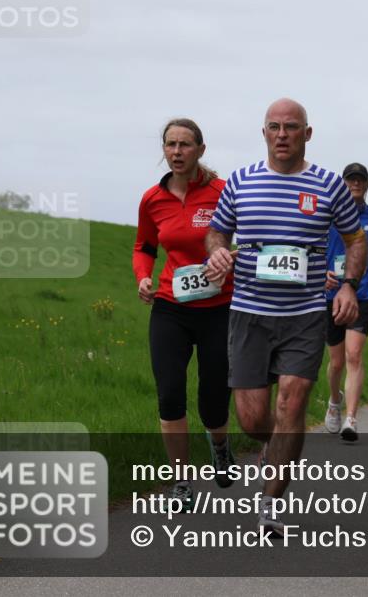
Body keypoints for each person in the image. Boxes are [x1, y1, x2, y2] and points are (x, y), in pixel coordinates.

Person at [204, 98, 368, 535]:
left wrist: (348, 284)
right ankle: (280, 445)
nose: (282, 134)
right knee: (254, 419)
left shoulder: (329, 185)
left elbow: (355, 240)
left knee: (292, 402)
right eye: (274, 127)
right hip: (249, 314)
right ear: (263, 133)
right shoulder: (240, 181)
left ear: (307, 134)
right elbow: (217, 229)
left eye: (291, 127)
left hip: (304, 314)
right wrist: (218, 251)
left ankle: (270, 505)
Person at [133, 118, 235, 509]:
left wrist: (228, 260)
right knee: (170, 393)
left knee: (213, 398)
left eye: (185, 145)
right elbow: (144, 246)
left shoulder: (222, 192)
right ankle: (181, 480)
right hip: (170, 307)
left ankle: (221, 447)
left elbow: (248, 237)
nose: (176, 152)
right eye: (170, 145)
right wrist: (143, 277)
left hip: (218, 307)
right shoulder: (151, 199)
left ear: (201, 150)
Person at [323, 163, 368, 441]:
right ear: (343, 184)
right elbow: (312, 243)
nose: (356, 184)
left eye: (360, 180)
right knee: (336, 361)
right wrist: (319, 271)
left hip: (363, 293)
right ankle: (334, 401)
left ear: (367, 184)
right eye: (351, 180)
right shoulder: (327, 214)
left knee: (354, 355)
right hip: (330, 292)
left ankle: (351, 418)